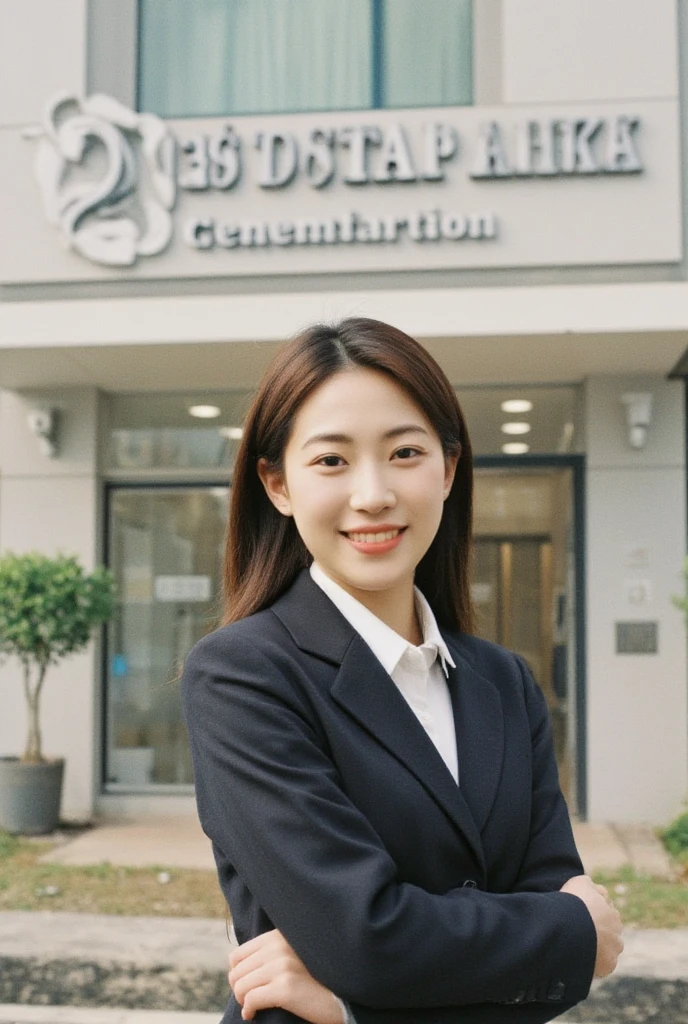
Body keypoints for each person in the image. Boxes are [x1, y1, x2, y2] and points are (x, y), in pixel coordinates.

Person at [181, 318, 623, 1024]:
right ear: (277, 484)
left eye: (405, 453)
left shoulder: (505, 682)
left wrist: (356, 1007)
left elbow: (552, 968)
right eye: (331, 461)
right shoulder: (242, 676)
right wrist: (566, 936)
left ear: (447, 470)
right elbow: (366, 936)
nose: (373, 494)